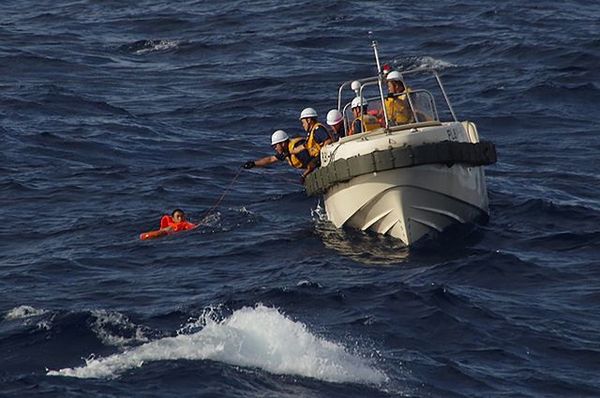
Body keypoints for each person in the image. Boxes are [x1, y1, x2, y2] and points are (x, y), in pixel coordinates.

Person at [243, 130, 316, 182]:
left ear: (283, 143)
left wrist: (304, 176)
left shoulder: (297, 149)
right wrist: (254, 164)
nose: (275, 149)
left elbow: (312, 164)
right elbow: (271, 159)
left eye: (275, 146)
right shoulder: (286, 152)